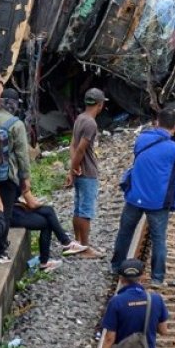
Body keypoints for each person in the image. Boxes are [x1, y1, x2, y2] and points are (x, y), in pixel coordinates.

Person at [109, 110, 175, 289]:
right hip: (158, 202)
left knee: (125, 232)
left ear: (156, 122)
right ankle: (157, 278)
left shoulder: (142, 139)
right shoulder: (174, 149)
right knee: (159, 239)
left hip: (135, 196)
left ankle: (116, 266)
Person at [99, 259, 170, 348]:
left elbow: (109, 338)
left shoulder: (116, 302)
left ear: (121, 278)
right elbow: (163, 330)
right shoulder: (156, 299)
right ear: (142, 277)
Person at [0, 93, 29, 263]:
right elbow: (22, 154)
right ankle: (0, 250)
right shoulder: (16, 124)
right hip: (8, 175)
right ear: (13, 105)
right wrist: (25, 177)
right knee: (5, 212)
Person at [67, 89, 104, 258]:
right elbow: (81, 148)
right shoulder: (91, 123)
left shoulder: (80, 118)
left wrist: (72, 168)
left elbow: (72, 145)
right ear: (100, 104)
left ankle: (77, 242)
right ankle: (85, 247)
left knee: (78, 208)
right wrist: (74, 168)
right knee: (85, 211)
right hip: (87, 172)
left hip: (79, 170)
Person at [10, 190, 80, 271]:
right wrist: (39, 203)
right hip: (11, 214)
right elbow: (31, 203)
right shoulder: (20, 177)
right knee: (47, 221)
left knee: (49, 211)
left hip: (16, 208)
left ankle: (65, 243)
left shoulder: (14, 177)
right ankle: (63, 245)